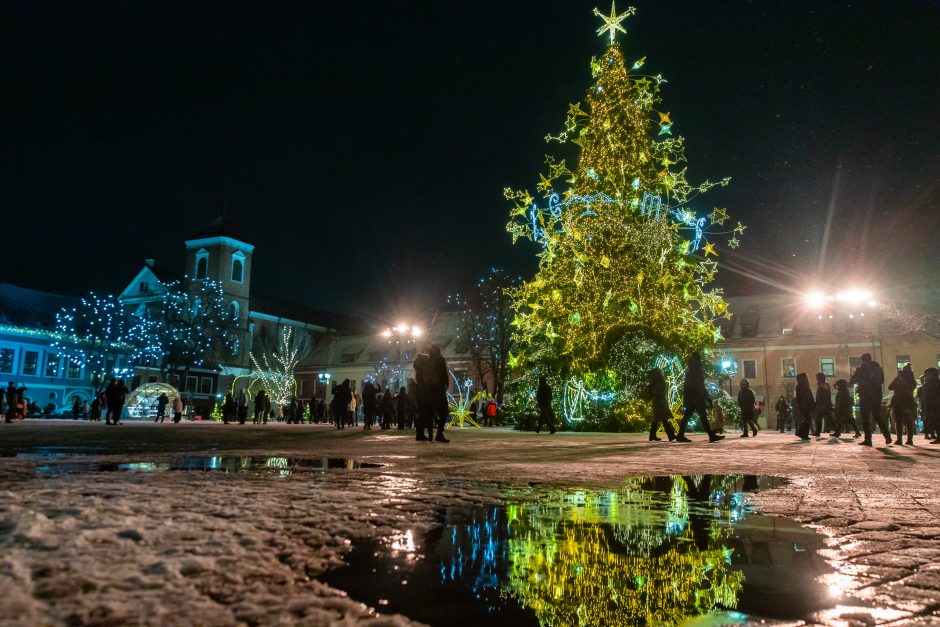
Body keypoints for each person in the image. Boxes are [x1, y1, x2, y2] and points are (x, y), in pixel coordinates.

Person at [677, 352, 723, 443]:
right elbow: (700, 385)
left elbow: (691, 385)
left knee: (688, 416)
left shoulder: (690, 369)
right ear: (698, 359)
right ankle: (711, 435)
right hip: (697, 397)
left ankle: (680, 435)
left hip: (692, 397)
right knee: (702, 417)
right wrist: (707, 397)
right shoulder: (696, 368)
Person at [850, 352, 891, 446]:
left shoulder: (861, 369)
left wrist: (862, 381)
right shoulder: (877, 369)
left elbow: (853, 380)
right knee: (876, 416)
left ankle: (868, 439)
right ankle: (886, 436)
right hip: (875, 395)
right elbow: (881, 381)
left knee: (866, 418)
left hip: (866, 396)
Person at [415, 345, 450, 442]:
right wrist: (445, 385)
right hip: (438, 390)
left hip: (428, 391)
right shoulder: (439, 360)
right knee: (443, 411)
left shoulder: (427, 361)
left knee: (427, 413)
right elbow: (443, 374)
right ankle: (439, 434)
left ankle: (421, 434)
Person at [888, 363, 917, 445]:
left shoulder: (899, 378)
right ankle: (909, 439)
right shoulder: (912, 380)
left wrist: (898, 380)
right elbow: (912, 387)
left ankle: (899, 439)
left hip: (898, 401)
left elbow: (890, 387)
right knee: (909, 422)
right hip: (908, 402)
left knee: (898, 421)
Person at [646, 368, 675, 441]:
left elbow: (654, 393)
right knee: (663, 419)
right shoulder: (659, 383)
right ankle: (671, 435)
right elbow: (661, 392)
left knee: (657, 419)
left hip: (658, 402)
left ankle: (652, 435)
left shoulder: (653, 384)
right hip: (660, 402)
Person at [794, 373, 815, 441]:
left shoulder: (799, 386)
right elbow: (807, 396)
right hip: (805, 406)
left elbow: (800, 398)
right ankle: (802, 433)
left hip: (804, 406)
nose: (807, 378)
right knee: (807, 420)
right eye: (806, 377)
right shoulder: (804, 386)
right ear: (803, 378)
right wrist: (811, 404)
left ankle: (802, 434)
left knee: (807, 420)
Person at [921, 368, 940, 444]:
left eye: (927, 375)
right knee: (934, 422)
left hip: (936, 406)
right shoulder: (927, 384)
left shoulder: (936, 384)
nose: (926, 377)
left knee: (937, 422)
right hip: (930, 406)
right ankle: (938, 436)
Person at [813, 373, 833, 438]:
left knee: (828, 418)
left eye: (817, 378)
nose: (816, 379)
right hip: (822, 405)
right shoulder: (821, 385)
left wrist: (821, 403)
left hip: (824, 405)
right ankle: (817, 432)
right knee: (822, 418)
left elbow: (825, 396)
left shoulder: (824, 384)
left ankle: (817, 432)